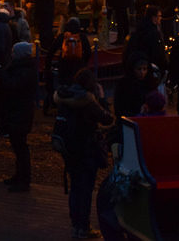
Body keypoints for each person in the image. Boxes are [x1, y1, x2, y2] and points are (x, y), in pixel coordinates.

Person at [54, 68, 113, 239]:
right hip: (87, 148)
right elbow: (107, 118)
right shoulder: (88, 101)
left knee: (75, 188)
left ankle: (75, 225)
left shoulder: (64, 98)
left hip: (70, 149)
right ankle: (83, 227)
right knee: (86, 189)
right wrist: (102, 98)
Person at [0, 41, 39, 192]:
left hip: (20, 112)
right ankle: (19, 176)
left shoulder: (24, 71)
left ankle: (23, 179)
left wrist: (2, 73)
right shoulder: (25, 68)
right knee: (18, 146)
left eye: (14, 52)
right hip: (18, 111)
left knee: (20, 146)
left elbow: (13, 85)